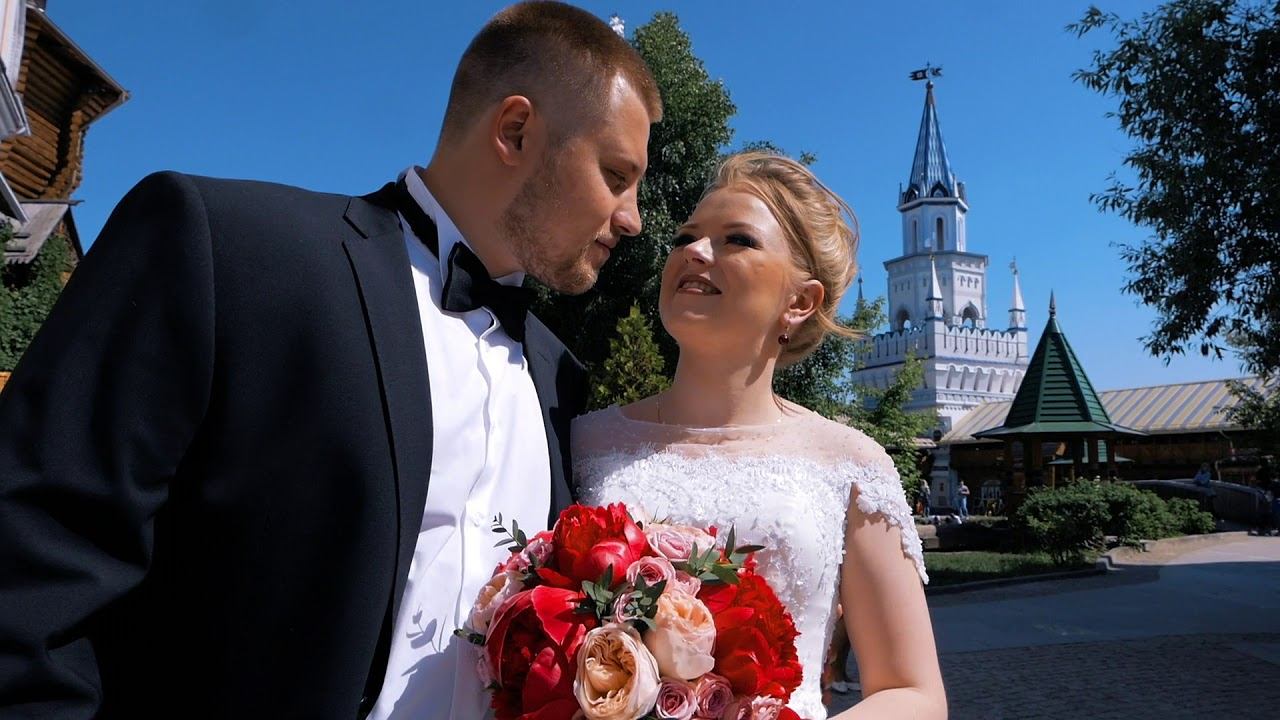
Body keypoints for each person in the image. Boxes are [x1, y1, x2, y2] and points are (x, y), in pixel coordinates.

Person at [0, 3, 661, 718]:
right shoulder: (228, 251)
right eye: (615, 174)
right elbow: (30, 568)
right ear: (516, 131)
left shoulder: (561, 380)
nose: (633, 217)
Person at [572, 153, 947, 719]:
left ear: (800, 302)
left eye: (738, 240)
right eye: (685, 237)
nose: (695, 251)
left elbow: (914, 693)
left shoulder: (850, 464)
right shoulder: (584, 442)